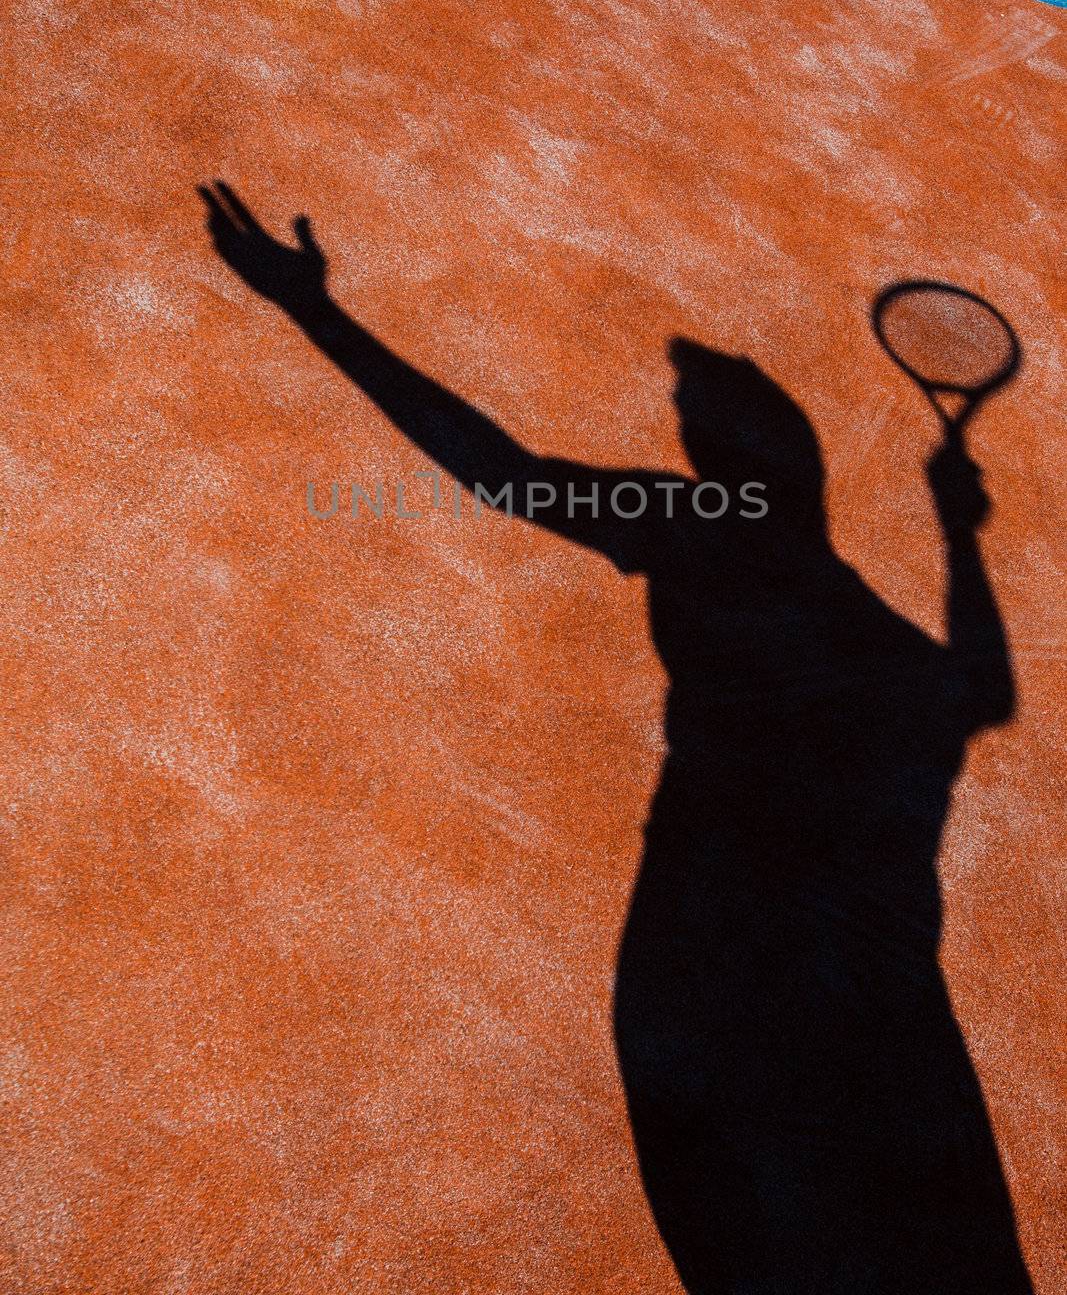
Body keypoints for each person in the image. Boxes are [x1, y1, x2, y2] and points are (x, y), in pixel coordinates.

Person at [203, 182, 1033, 1294]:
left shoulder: (705, 527)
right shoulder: (890, 654)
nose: (684, 411)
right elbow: (982, 686)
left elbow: (505, 473)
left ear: (732, 456)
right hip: (881, 1000)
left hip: (712, 959)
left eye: (692, 405)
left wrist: (315, 311)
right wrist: (958, 541)